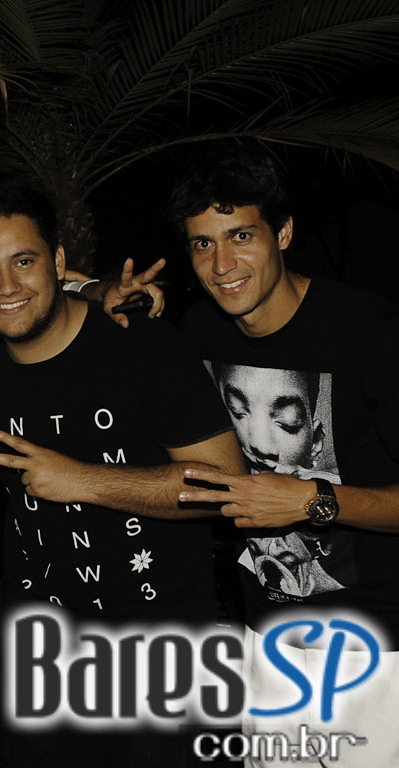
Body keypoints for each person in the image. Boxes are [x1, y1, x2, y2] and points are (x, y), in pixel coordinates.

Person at [0, 179, 243, 767]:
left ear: (59, 262)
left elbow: (224, 486)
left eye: (24, 261)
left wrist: (82, 480)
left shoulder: (141, 346)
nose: (6, 286)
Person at [172, 142, 399, 767]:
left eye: (241, 236)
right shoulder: (200, 331)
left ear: (285, 233)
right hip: (266, 635)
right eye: (202, 243)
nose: (222, 264)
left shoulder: (371, 334)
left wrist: (313, 500)